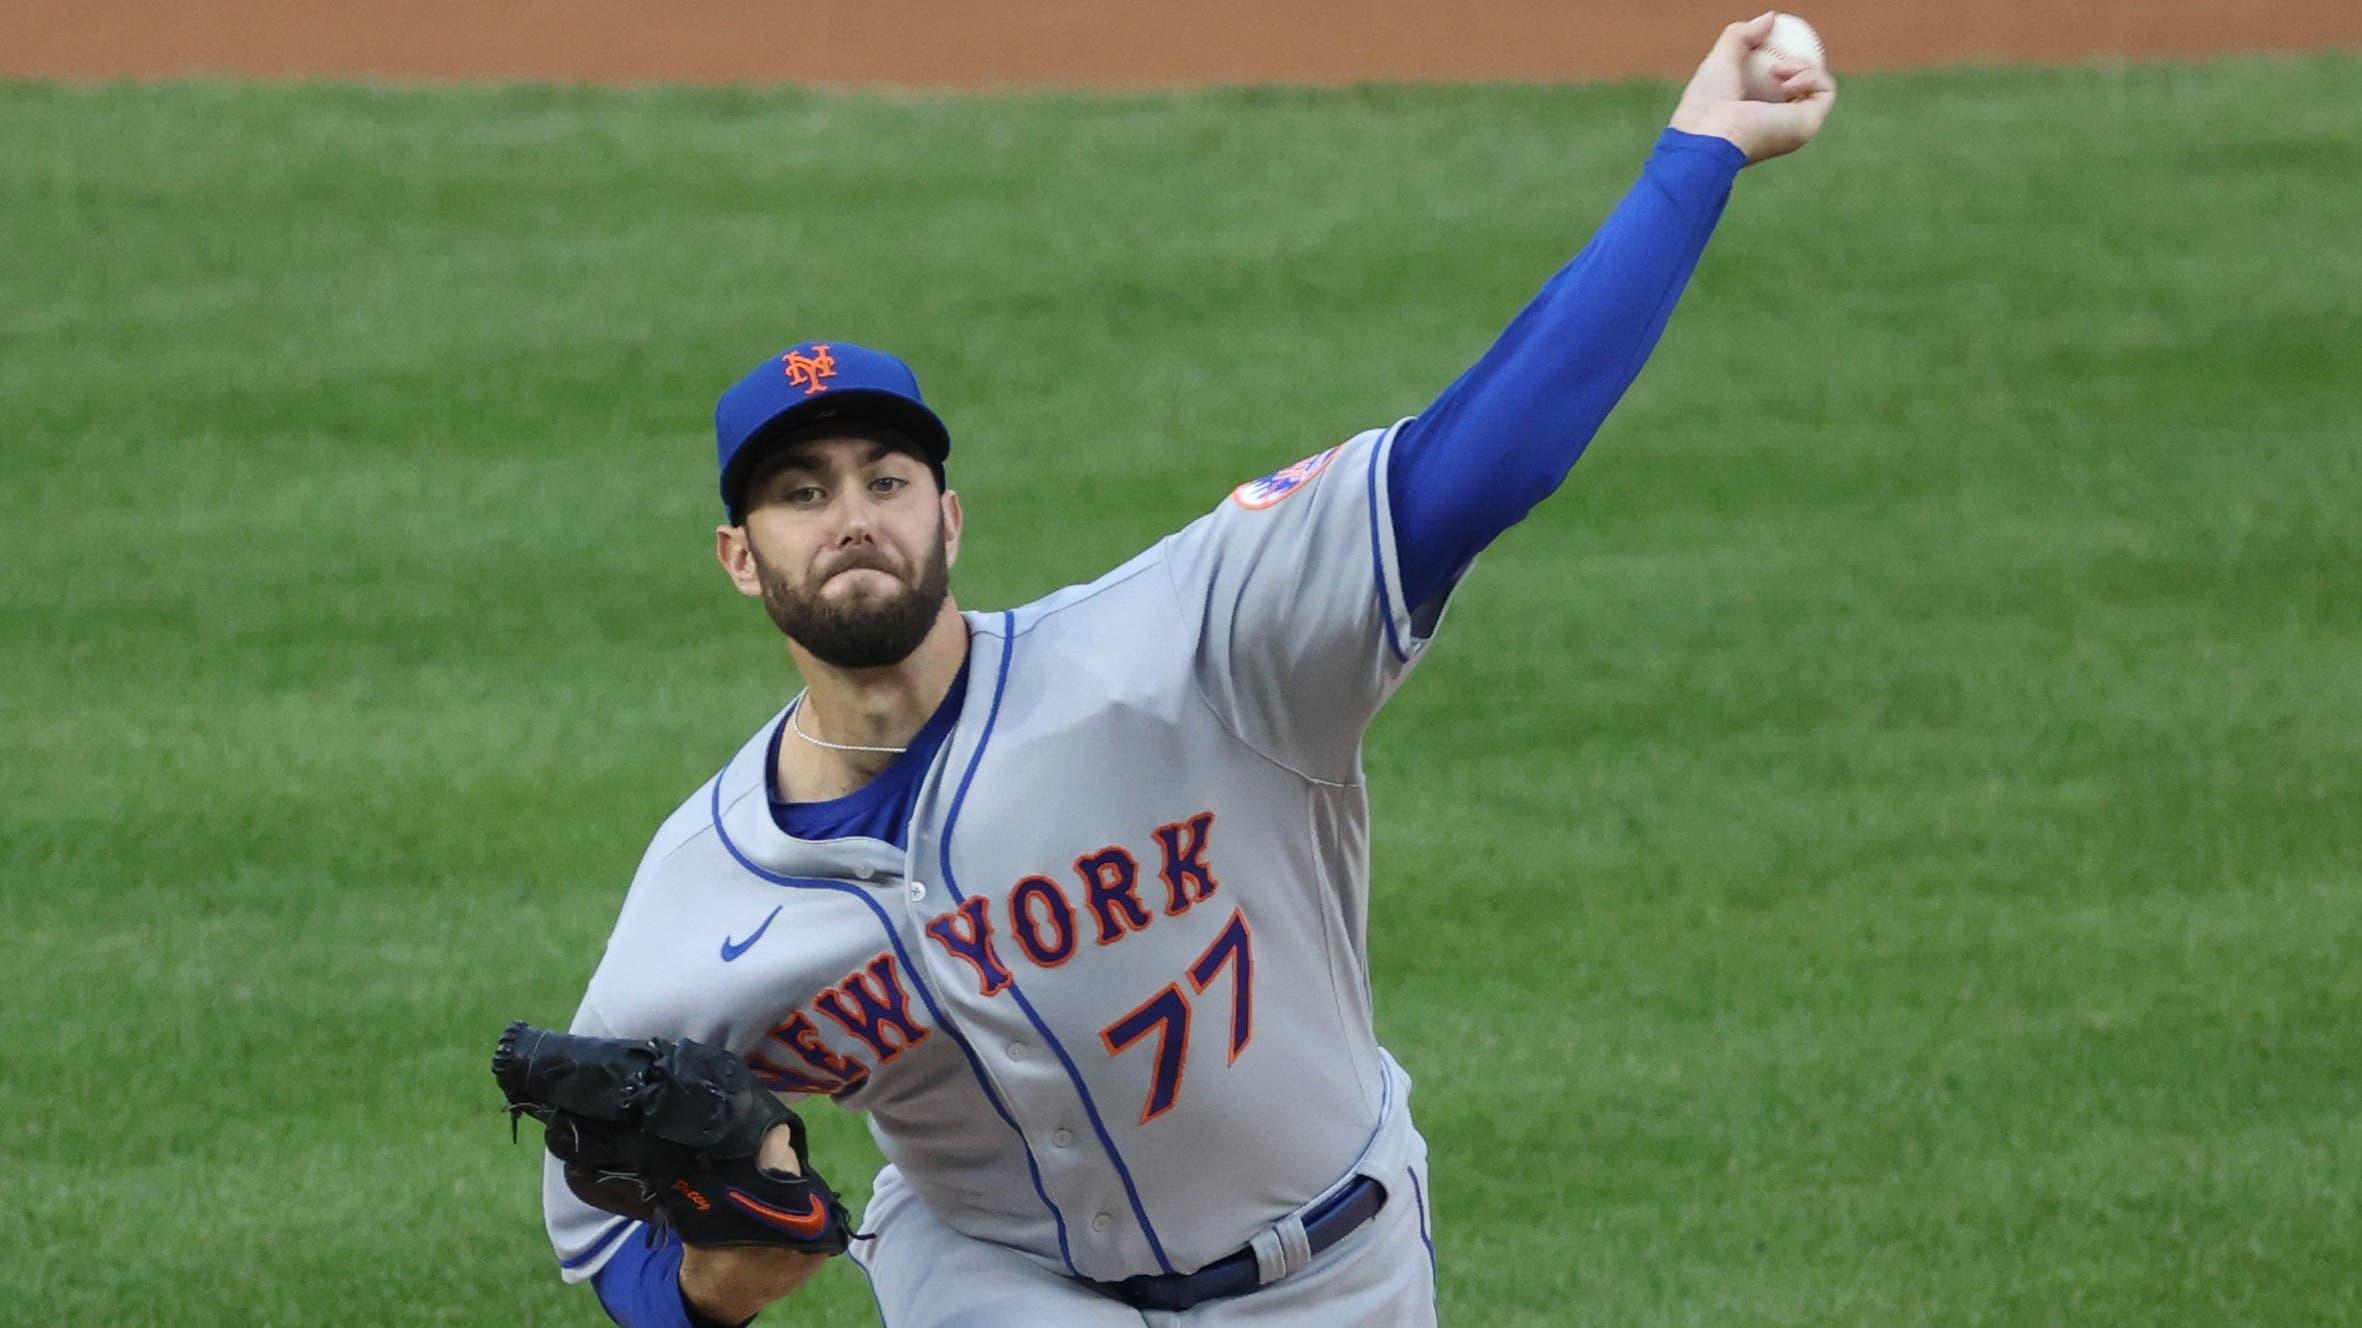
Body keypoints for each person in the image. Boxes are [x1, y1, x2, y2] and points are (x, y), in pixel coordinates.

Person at [535, 16, 1835, 1326]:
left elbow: (1482, 458)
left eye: (887, 478)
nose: (852, 514)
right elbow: (609, 1258)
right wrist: (717, 1282)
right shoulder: (696, 911)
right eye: (800, 493)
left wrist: (1697, 155)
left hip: (1334, 1263)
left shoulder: (1184, 651)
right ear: (740, 559)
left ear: (950, 516)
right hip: (991, 1281)